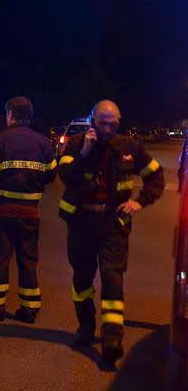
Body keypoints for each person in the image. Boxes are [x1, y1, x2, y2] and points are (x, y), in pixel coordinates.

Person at [58, 100, 164, 365]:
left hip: (113, 225)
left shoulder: (129, 147)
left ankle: (112, 340)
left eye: (113, 122)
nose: (108, 127)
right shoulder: (75, 144)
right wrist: (84, 151)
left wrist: (140, 201)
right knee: (82, 280)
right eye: (103, 122)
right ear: (93, 120)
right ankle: (85, 327)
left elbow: (156, 175)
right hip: (81, 222)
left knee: (112, 279)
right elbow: (67, 177)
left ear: (119, 120)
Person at [0, 96, 56, 323]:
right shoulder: (43, 143)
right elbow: (51, 174)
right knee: (28, 260)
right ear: (29, 115)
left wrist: (4, 180)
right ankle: (29, 310)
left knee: (0, 259)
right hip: (30, 212)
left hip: (3, 212)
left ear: (10, 114)